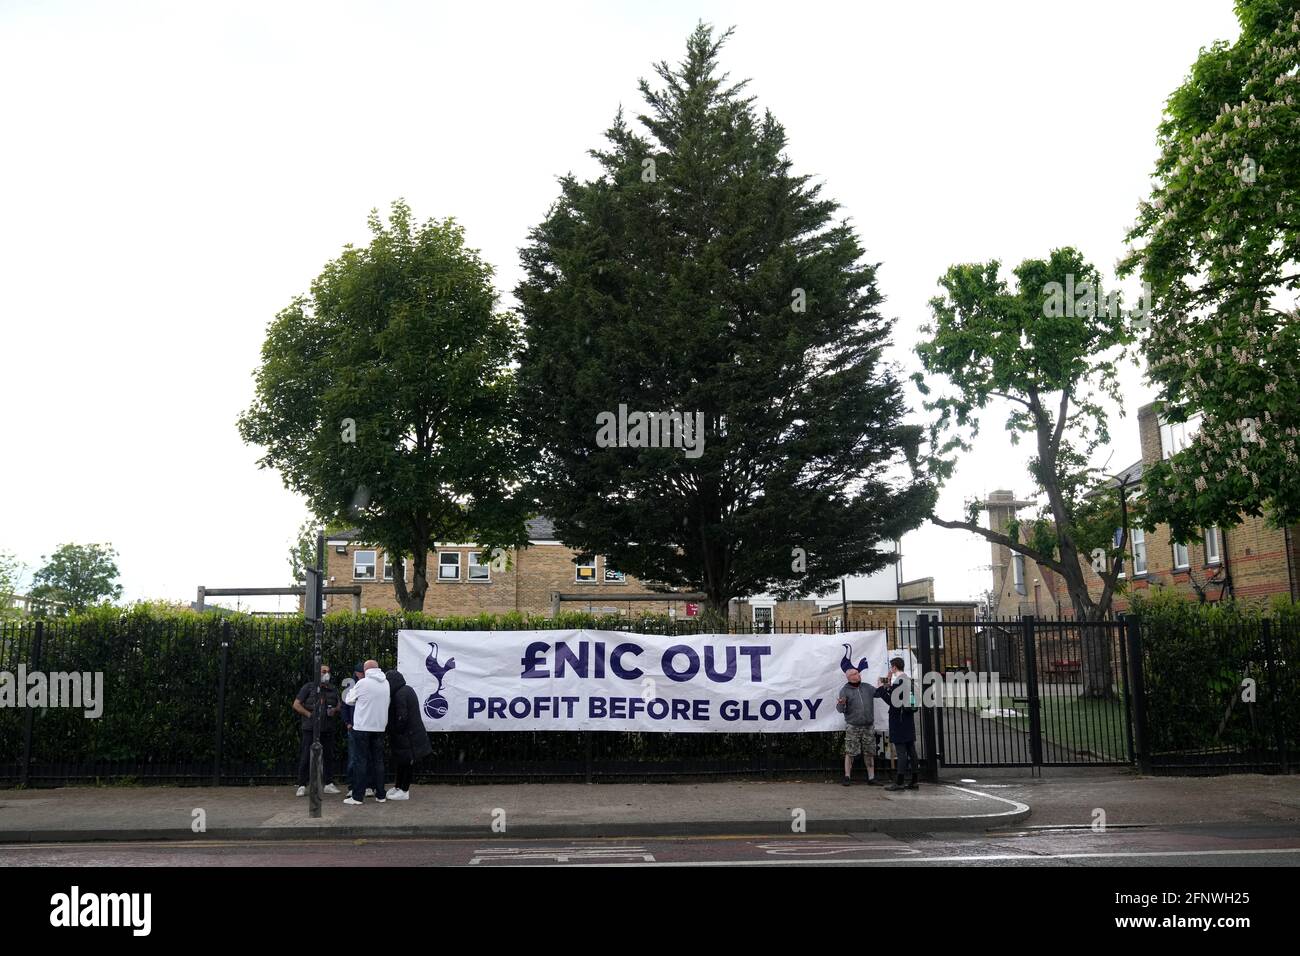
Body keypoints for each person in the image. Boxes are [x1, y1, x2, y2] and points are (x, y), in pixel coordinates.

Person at [342, 659, 390, 805]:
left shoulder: (362, 683)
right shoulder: (386, 683)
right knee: (378, 761)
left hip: (362, 727)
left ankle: (357, 796)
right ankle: (381, 794)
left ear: (366, 669)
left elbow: (349, 700)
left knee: (360, 762)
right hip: (379, 727)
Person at [293, 663, 341, 796]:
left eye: (328, 671)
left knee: (328, 756)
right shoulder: (308, 687)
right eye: (323, 671)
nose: (326, 674)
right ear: (317, 673)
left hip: (327, 728)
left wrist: (335, 710)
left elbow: (339, 705)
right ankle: (302, 784)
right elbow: (296, 704)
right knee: (306, 756)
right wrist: (310, 715)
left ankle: (329, 783)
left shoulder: (332, 689)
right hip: (310, 728)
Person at [384, 668, 433, 800]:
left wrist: (395, 730)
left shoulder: (399, 694)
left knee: (406, 762)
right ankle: (398, 787)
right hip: (410, 733)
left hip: (407, 735)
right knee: (403, 762)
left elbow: (402, 717)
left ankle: (404, 790)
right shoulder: (406, 690)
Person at [875, 656, 919, 791]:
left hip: (898, 720)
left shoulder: (898, 682)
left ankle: (899, 782)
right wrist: (888, 682)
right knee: (911, 750)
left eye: (891, 667)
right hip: (907, 719)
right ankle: (914, 781)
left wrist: (881, 688)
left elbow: (892, 702)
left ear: (894, 667)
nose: (890, 669)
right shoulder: (908, 680)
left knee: (901, 752)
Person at [834, 667, 877, 786]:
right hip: (853, 726)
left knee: (869, 752)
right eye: (855, 673)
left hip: (868, 726)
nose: (858, 675)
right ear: (850, 677)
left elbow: (879, 693)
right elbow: (840, 709)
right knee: (850, 751)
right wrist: (841, 704)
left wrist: (885, 685)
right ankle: (847, 777)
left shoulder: (867, 687)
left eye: (858, 673)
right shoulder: (844, 690)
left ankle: (871, 778)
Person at [339, 662, 366, 796]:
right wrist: (348, 723)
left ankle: (364, 785)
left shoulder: (363, 685)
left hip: (363, 725)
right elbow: (345, 706)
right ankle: (352, 786)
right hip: (355, 726)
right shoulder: (352, 687)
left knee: (361, 757)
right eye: (362, 672)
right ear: (357, 673)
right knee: (354, 758)